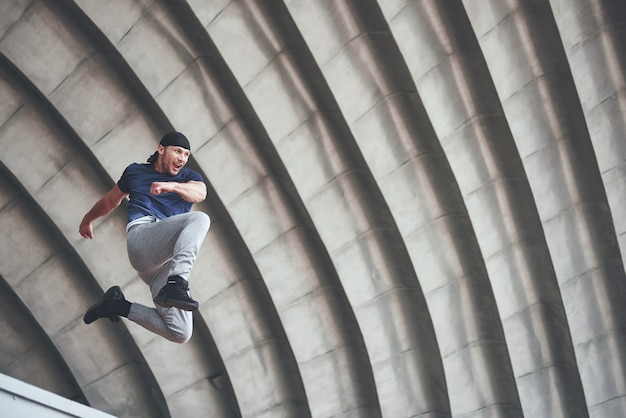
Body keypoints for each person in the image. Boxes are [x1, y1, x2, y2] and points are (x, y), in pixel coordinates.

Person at [79, 131, 211, 344]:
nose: (182, 159)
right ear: (161, 149)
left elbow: (200, 194)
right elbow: (111, 200)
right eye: (177, 151)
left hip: (161, 266)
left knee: (180, 333)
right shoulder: (136, 172)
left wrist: (171, 186)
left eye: (186, 155)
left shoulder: (188, 178)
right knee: (200, 219)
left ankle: (118, 305)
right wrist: (88, 219)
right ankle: (177, 283)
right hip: (142, 239)